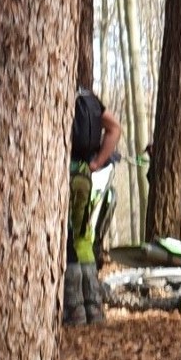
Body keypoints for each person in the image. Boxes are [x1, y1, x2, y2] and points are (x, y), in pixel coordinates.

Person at [64, 88, 121, 325]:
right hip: (86, 177)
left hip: (65, 174)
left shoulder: (61, 96)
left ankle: (74, 311)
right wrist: (97, 162)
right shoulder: (92, 101)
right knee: (84, 238)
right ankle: (94, 309)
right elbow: (115, 128)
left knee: (67, 241)